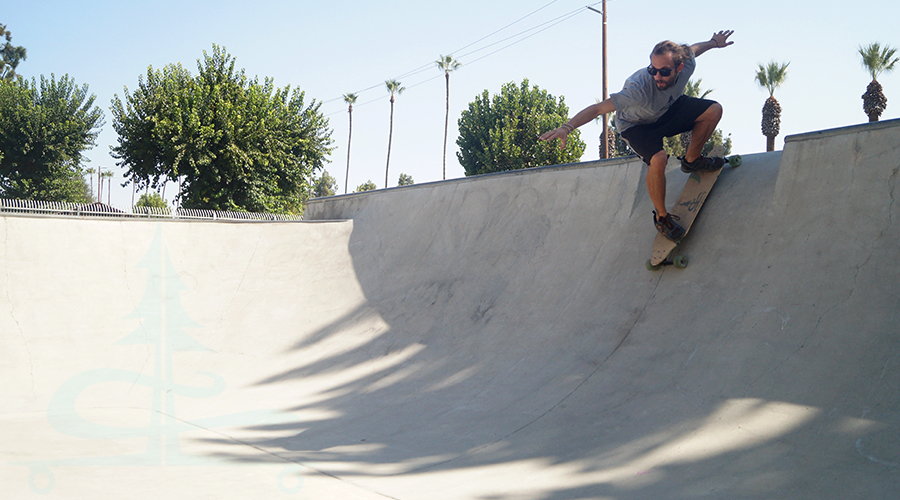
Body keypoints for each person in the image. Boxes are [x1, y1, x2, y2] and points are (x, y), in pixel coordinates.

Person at [540, 30, 735, 241]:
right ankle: (662, 218)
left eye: (664, 71)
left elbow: (694, 50)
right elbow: (597, 109)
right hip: (636, 126)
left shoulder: (686, 62)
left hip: (666, 111)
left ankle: (692, 160)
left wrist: (714, 42)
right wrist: (567, 127)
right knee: (658, 159)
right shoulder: (639, 89)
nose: (657, 76)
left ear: (679, 67)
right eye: (653, 70)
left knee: (713, 110)